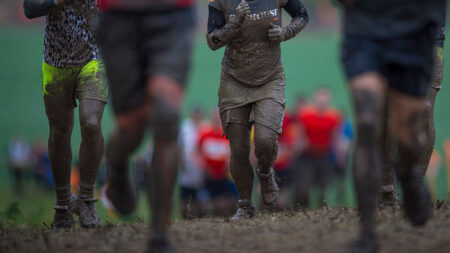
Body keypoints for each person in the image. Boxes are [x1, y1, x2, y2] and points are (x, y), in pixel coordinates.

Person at [339, 0, 446, 251]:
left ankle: (408, 174)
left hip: (415, 32)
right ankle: (367, 232)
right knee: (366, 121)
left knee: (409, 133)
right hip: (364, 30)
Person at [96, 0, 196, 251]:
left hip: (173, 14)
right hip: (119, 17)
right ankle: (116, 166)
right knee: (132, 128)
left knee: (166, 116)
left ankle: (159, 238)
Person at [207, 0, 309, 220]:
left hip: (270, 79)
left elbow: (302, 16)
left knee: (264, 140)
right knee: (239, 148)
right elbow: (212, 41)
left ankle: (265, 170)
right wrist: (234, 24)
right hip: (233, 81)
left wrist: (285, 32)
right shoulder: (219, 2)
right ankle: (245, 205)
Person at [23, 0, 108, 229]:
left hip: (94, 59)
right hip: (55, 62)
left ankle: (87, 199)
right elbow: (29, 9)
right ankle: (62, 205)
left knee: (91, 123)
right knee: (60, 132)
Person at [378, 10, 447, 210]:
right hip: (383, 34)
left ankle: (412, 188)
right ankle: (387, 194)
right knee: (386, 111)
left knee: (423, 111)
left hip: (429, 37)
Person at [293, 88, 341, 207]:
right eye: (320, 98)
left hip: (324, 155)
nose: (322, 101)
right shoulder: (305, 114)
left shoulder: (334, 116)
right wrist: (296, 149)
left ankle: (321, 208)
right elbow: (300, 135)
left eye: (325, 98)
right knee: (304, 185)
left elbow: (335, 138)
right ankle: (303, 209)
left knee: (324, 185)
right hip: (307, 156)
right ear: (315, 98)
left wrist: (340, 156)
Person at [197, 109, 237, 215]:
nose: (217, 120)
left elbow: (231, 155)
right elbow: (199, 153)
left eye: (220, 118)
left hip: (224, 177)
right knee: (207, 205)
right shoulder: (205, 134)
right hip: (208, 177)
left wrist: (226, 167)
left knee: (225, 204)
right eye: (215, 117)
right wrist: (205, 167)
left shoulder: (228, 135)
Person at [179, 107, 206, 218]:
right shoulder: (184, 128)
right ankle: (185, 214)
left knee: (199, 195)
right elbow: (179, 147)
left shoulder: (205, 128)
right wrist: (182, 164)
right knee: (185, 194)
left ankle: (199, 215)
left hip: (200, 168)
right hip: (187, 166)